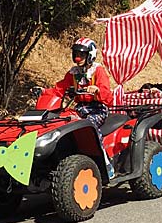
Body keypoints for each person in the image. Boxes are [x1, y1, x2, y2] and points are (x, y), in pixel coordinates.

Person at [48, 37, 115, 175]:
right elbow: (59, 88)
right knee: (62, 123)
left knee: (90, 127)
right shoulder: (73, 73)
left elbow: (107, 95)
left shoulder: (98, 71)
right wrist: (44, 92)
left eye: (82, 55)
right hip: (79, 108)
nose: (78, 58)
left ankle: (106, 164)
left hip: (97, 109)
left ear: (90, 55)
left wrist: (97, 90)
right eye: (76, 55)